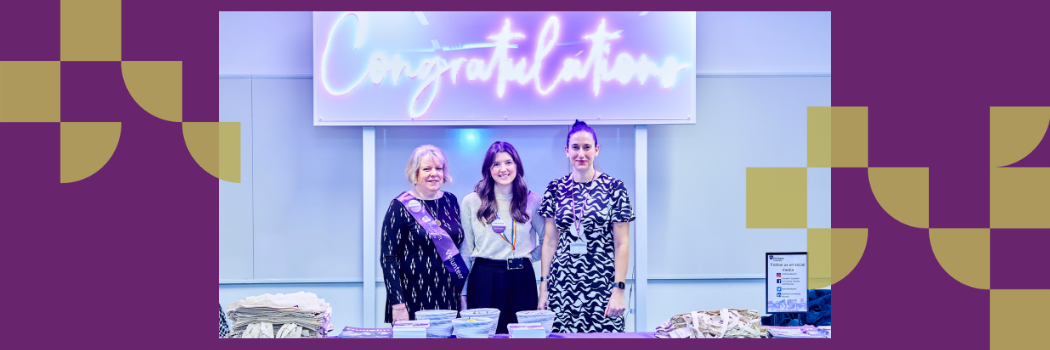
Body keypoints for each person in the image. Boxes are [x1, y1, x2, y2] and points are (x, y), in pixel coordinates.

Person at [538, 120, 635, 333]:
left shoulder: (615, 188)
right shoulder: (555, 188)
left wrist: (619, 289)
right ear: (567, 151)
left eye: (587, 147)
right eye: (575, 147)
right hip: (562, 286)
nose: (581, 154)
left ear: (596, 150)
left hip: (602, 286)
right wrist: (543, 287)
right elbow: (550, 242)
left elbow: (622, 244)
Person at [459, 141, 544, 334]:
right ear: (488, 170)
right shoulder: (472, 201)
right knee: (486, 336)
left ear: (517, 166)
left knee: (523, 336)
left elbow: (548, 240)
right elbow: (466, 250)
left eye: (508, 162)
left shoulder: (532, 200)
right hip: (484, 276)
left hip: (522, 277)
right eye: (496, 164)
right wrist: (463, 294)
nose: (503, 169)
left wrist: (526, 258)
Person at [381, 145, 467, 325]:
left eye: (438, 168)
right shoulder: (399, 206)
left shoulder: (451, 201)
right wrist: (398, 304)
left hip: (448, 294)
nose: (434, 174)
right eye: (427, 169)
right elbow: (388, 257)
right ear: (415, 172)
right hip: (412, 296)